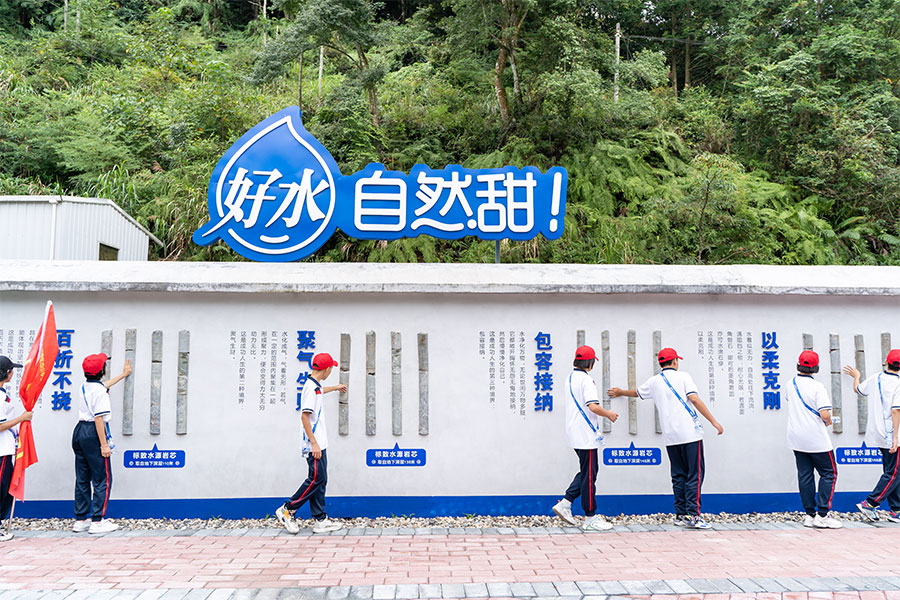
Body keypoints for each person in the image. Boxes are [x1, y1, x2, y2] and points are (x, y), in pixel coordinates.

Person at [608, 347, 723, 529]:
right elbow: (694, 399)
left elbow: (637, 393)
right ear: (675, 361)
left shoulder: (654, 381)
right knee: (694, 474)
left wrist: (620, 392)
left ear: (661, 363)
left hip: (670, 437)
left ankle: (681, 514)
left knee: (678, 475)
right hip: (690, 435)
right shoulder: (684, 377)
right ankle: (693, 516)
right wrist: (713, 421)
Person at [276, 352, 347, 534]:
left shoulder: (315, 385)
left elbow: (320, 392)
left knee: (320, 480)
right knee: (316, 479)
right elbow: (304, 417)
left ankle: (320, 520)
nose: (331, 371)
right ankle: (288, 509)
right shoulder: (310, 388)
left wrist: (335, 388)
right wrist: (314, 444)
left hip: (319, 442)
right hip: (314, 443)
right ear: (327, 369)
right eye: (331, 368)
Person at [552, 345, 619, 531]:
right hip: (585, 433)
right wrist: (609, 414)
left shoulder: (570, 377)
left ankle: (566, 503)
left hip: (575, 432)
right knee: (589, 475)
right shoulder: (587, 380)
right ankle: (590, 517)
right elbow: (593, 406)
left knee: (589, 471)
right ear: (590, 363)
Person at [72, 353, 131, 534]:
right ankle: (97, 521)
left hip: (79, 431)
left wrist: (123, 375)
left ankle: (81, 520)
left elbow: (103, 385)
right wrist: (104, 445)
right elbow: (99, 419)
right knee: (102, 478)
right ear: (102, 371)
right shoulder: (101, 393)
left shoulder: (85, 386)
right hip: (94, 433)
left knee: (82, 478)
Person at [843, 348, 900, 523]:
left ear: (886, 362)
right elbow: (896, 410)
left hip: (878, 434)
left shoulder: (876, 378)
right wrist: (896, 438)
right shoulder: (898, 383)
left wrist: (856, 376)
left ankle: (896, 510)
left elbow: (858, 389)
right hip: (892, 434)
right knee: (894, 473)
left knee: (891, 472)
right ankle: (870, 503)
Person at [786, 351, 841, 528]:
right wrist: (829, 421)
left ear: (798, 364)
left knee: (805, 475)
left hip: (796, 437)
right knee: (829, 473)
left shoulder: (790, 384)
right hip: (816, 438)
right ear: (816, 367)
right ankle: (823, 515)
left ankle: (809, 514)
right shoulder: (818, 387)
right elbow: (824, 414)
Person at [0, 356, 31, 542]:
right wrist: (21, 418)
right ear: (6, 373)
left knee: (6, 488)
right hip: (1, 451)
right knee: (2, 489)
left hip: (6, 449)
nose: (12, 373)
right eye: (11, 370)